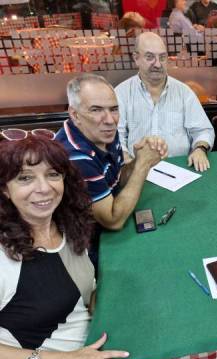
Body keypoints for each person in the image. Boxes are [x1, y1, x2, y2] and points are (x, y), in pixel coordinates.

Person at [0, 136, 129, 359]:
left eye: (52, 174)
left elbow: (80, 290)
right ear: (5, 189)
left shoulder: (67, 226)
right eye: (25, 178)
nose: (44, 188)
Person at [56, 73, 167, 267]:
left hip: (102, 223)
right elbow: (113, 220)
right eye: (96, 110)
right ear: (74, 114)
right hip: (79, 248)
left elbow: (117, 179)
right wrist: (142, 166)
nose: (109, 120)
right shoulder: (76, 157)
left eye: (114, 109)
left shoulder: (104, 132)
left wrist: (140, 159)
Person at [115, 32, 215, 172]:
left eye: (162, 57)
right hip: (137, 170)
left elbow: (203, 130)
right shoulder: (121, 93)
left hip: (180, 169)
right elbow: (116, 135)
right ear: (136, 58)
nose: (157, 64)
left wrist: (200, 149)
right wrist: (127, 161)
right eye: (150, 57)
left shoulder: (184, 92)